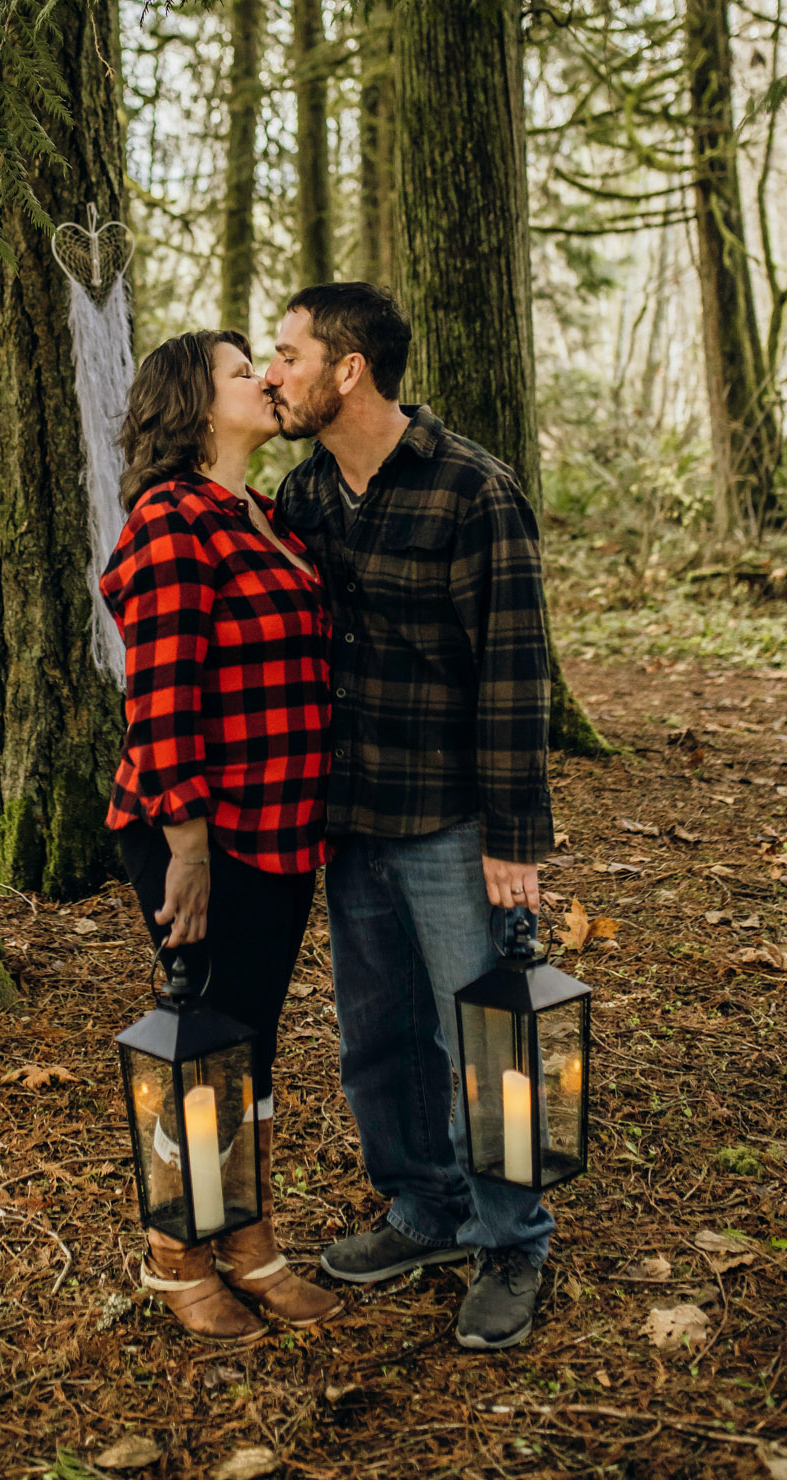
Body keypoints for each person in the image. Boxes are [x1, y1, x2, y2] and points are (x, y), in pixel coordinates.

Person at [264, 280, 557, 1352]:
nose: (272, 373)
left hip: (449, 825)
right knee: (377, 1039)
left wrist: (516, 842)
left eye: (289, 354)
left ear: (349, 369)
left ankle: (514, 1239)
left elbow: (517, 675)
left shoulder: (473, 491)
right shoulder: (299, 497)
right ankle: (426, 1209)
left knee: (491, 1038)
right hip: (348, 822)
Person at [102, 327, 342, 1344]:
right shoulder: (171, 521)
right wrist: (188, 843)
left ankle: (247, 1240)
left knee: (249, 1042)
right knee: (203, 1038)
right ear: (195, 407)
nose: (267, 381)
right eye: (245, 372)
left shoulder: (266, 515)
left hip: (281, 831)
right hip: (199, 832)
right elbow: (159, 698)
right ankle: (177, 1256)